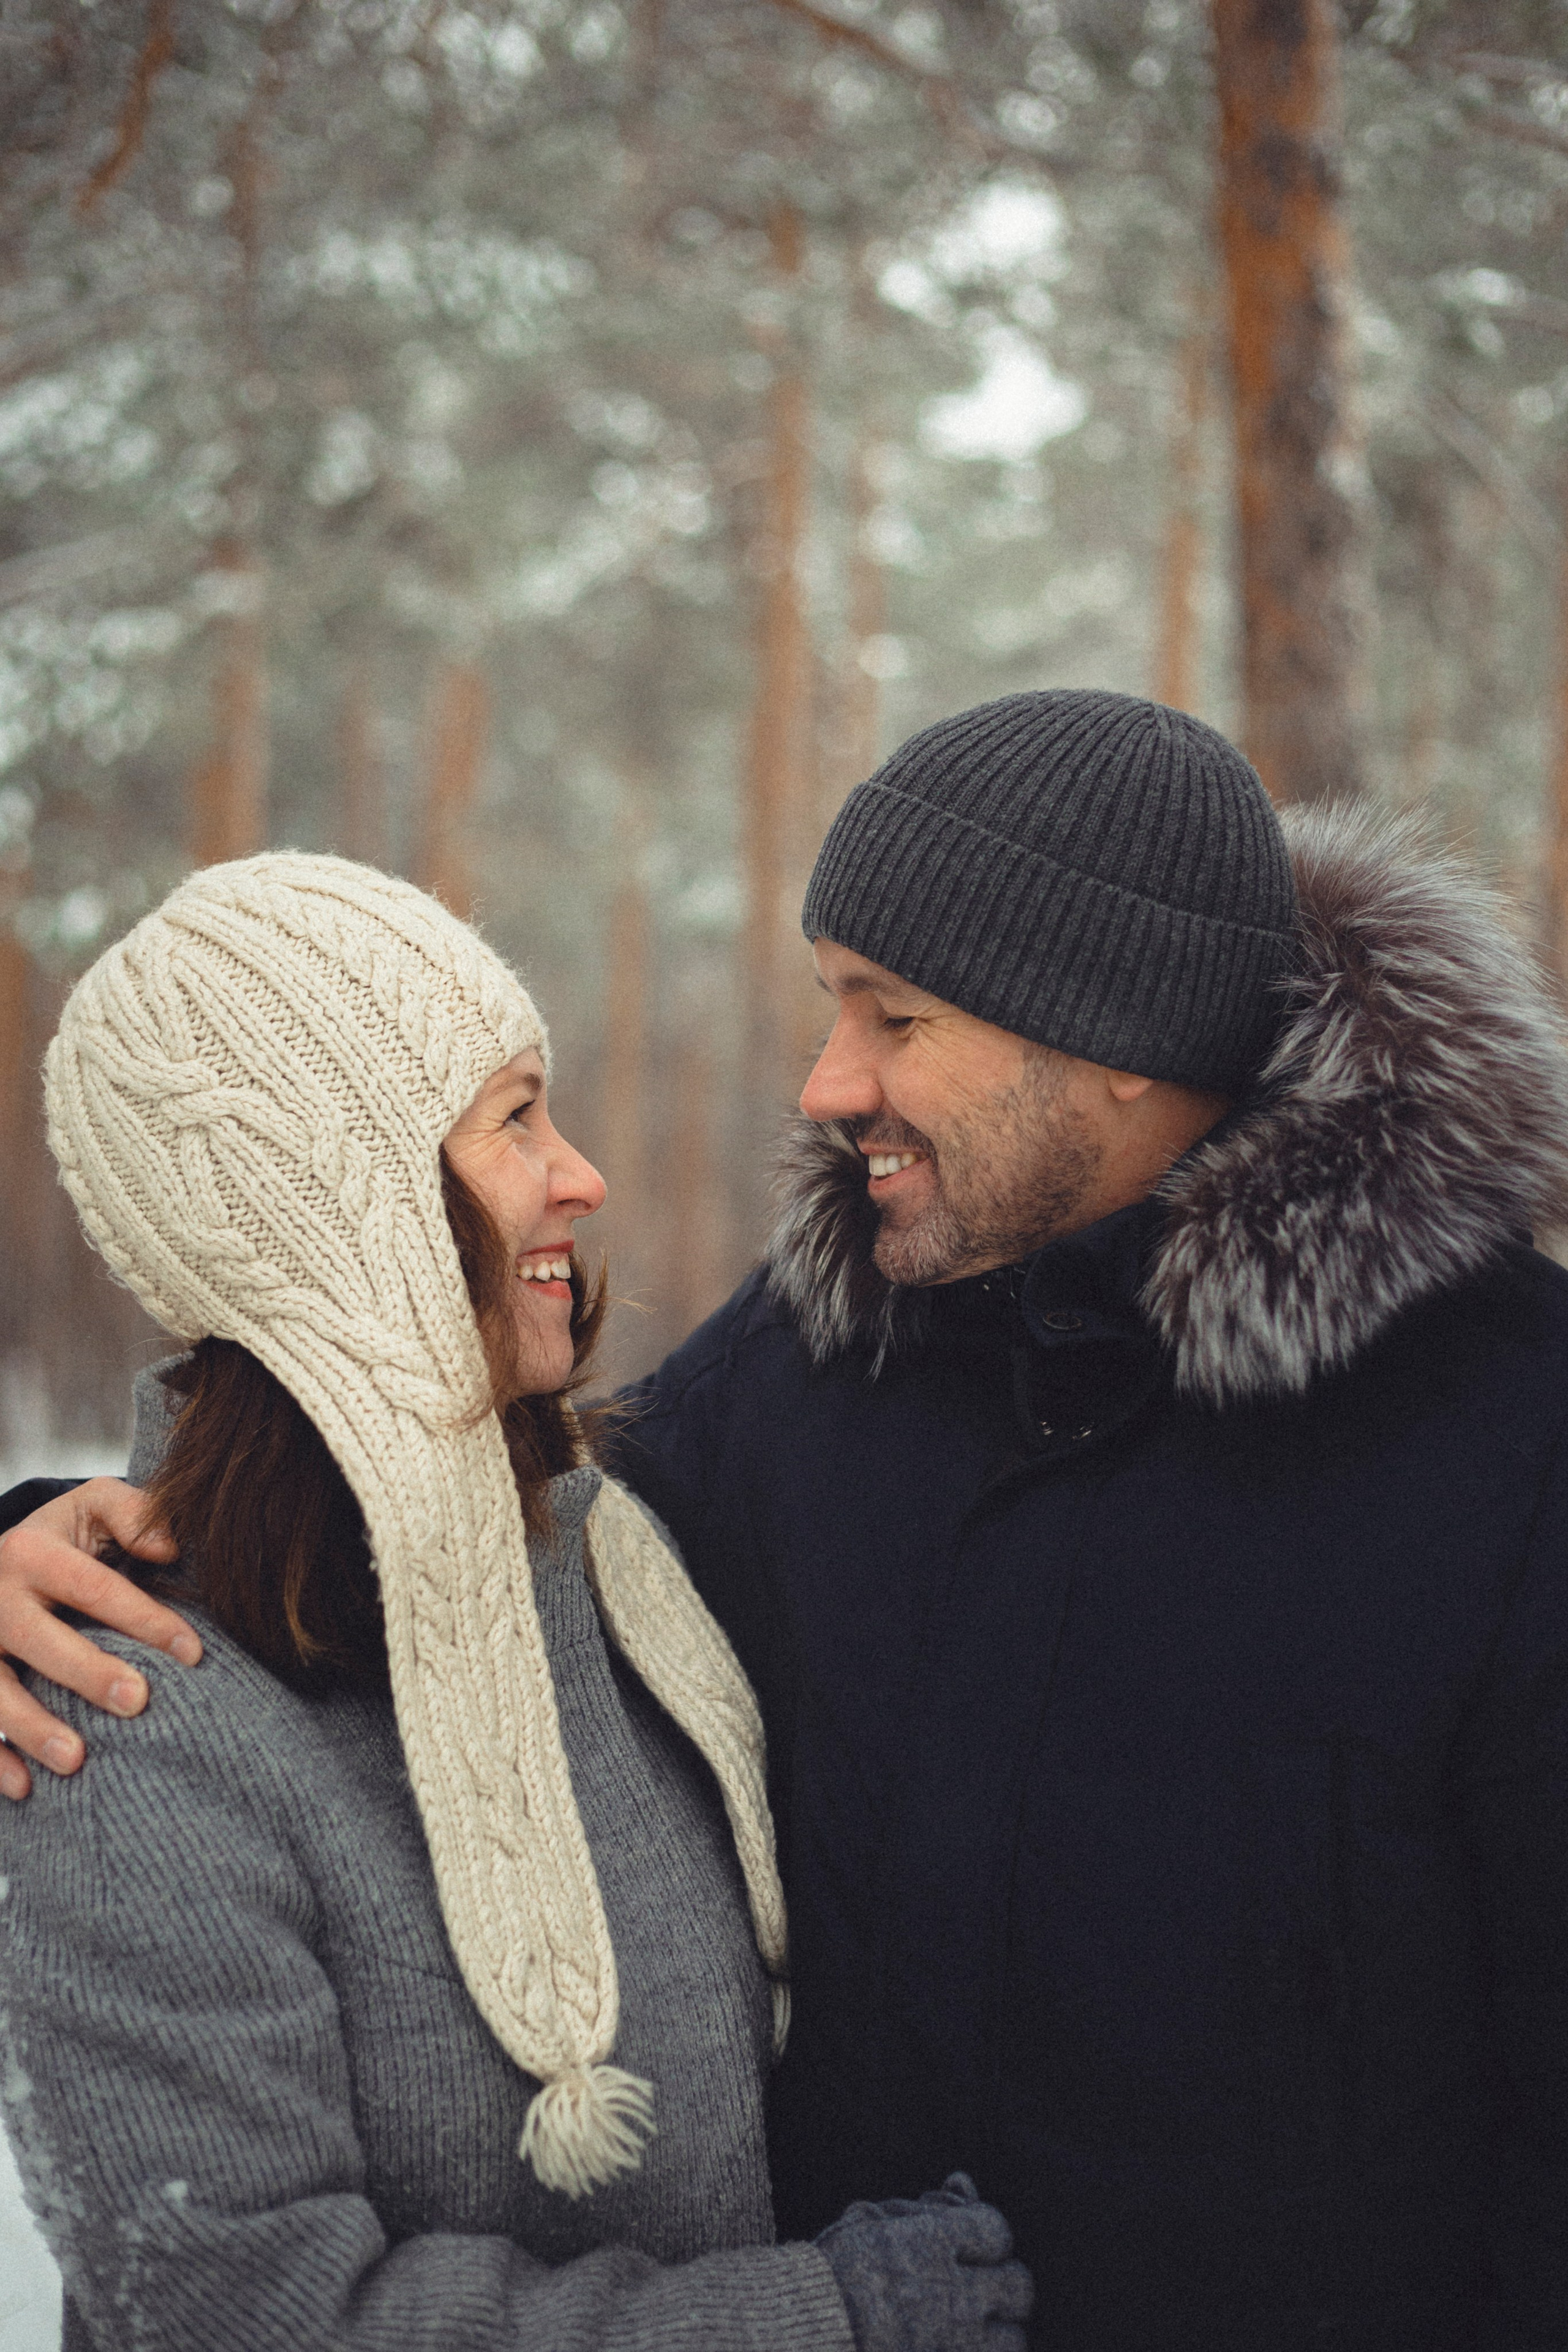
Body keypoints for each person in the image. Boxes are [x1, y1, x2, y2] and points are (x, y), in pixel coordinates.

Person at [4, 687, 1567, 2349]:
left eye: (895, 1018)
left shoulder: (1510, 1438)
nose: (825, 1085)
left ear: (1117, 1032)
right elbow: (459, 1521)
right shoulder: (825, 1353)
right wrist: (61, 1547)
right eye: (833, 1006)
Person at [0, 851, 1031, 2352]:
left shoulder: (614, 1572)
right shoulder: (128, 1720)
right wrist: (812, 2322)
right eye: (512, 1119)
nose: (580, 1175)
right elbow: (247, 2313)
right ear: (341, 1200)